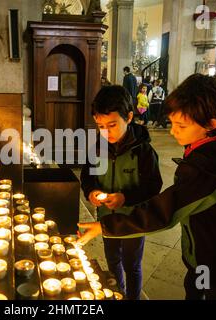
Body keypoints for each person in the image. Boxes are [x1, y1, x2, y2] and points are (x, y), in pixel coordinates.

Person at [78, 74, 216, 300]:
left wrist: (106, 225)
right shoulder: (209, 147)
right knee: (194, 289)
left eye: (180, 125)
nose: (173, 131)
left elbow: (166, 209)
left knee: (209, 292)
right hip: (201, 253)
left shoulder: (215, 166)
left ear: (210, 124)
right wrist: (92, 192)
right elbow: (89, 175)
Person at [80, 85, 162, 300]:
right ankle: (119, 294)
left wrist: (125, 198)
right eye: (100, 126)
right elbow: (87, 177)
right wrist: (91, 192)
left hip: (134, 221)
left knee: (132, 265)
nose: (106, 132)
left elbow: (154, 187)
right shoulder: (97, 148)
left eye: (112, 125)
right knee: (113, 261)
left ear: (129, 117)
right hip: (106, 219)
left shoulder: (143, 151)